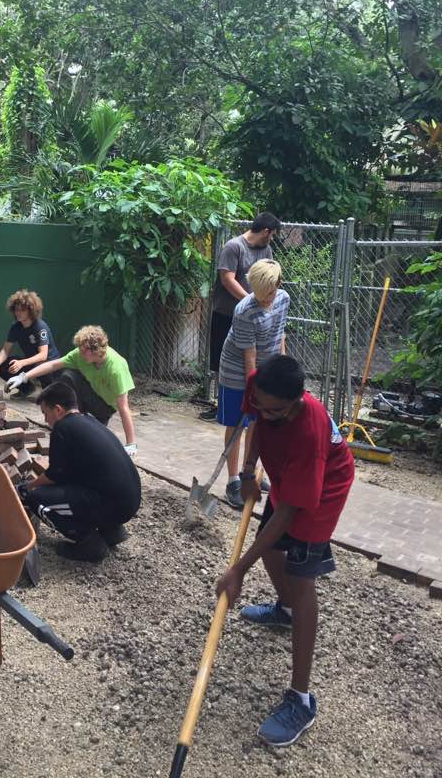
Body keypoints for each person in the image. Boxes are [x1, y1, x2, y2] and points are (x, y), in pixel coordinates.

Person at [215, 355, 354, 747]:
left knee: (300, 576)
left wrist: (238, 569)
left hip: (322, 490)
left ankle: (301, 700)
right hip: (287, 476)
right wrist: (248, 471)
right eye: (262, 404)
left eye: (277, 410)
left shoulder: (309, 433)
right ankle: (285, 610)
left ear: (297, 400)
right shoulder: (261, 387)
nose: (266, 411)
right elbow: (256, 422)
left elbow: (289, 513)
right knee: (272, 549)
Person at [19, 380, 142, 562]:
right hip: (130, 500)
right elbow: (72, 472)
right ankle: (111, 532)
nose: (45, 420)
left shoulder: (62, 428)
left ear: (58, 410)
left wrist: (28, 487)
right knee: (79, 487)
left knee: (37, 498)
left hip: (115, 505)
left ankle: (89, 545)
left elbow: (54, 475)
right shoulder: (90, 420)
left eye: (45, 413)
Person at [217, 259, 289, 508]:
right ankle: (233, 481)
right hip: (236, 371)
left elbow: (280, 334)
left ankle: (249, 473)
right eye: (259, 293)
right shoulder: (244, 311)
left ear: (278, 284)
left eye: (269, 293)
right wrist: (253, 389)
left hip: (265, 367)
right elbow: (249, 357)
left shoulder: (283, 299)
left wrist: (281, 370)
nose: (264, 298)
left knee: (257, 423)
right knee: (237, 422)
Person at [5, 325, 137, 455]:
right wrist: (23, 377)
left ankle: (89, 423)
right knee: (68, 376)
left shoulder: (116, 368)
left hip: (105, 408)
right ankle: (70, 423)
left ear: (93, 351)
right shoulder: (80, 355)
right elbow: (53, 364)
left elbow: (123, 407)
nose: (79, 352)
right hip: (91, 395)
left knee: (71, 376)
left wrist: (130, 443)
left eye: (82, 350)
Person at [209, 212, 282, 380]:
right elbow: (227, 280)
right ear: (265, 231)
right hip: (227, 314)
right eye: (272, 235)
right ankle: (223, 395)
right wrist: (253, 301)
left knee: (252, 363)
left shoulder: (266, 250)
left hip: (254, 318)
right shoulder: (234, 247)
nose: (272, 239)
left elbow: (270, 277)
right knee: (224, 365)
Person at [0, 290, 59, 393]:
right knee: (3, 366)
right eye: (16, 309)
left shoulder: (40, 327)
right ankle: (27, 389)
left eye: (22, 310)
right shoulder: (16, 327)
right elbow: (5, 350)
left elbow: (43, 356)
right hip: (31, 362)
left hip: (49, 366)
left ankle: (49, 390)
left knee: (50, 396)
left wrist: (22, 363)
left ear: (31, 311)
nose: (18, 313)